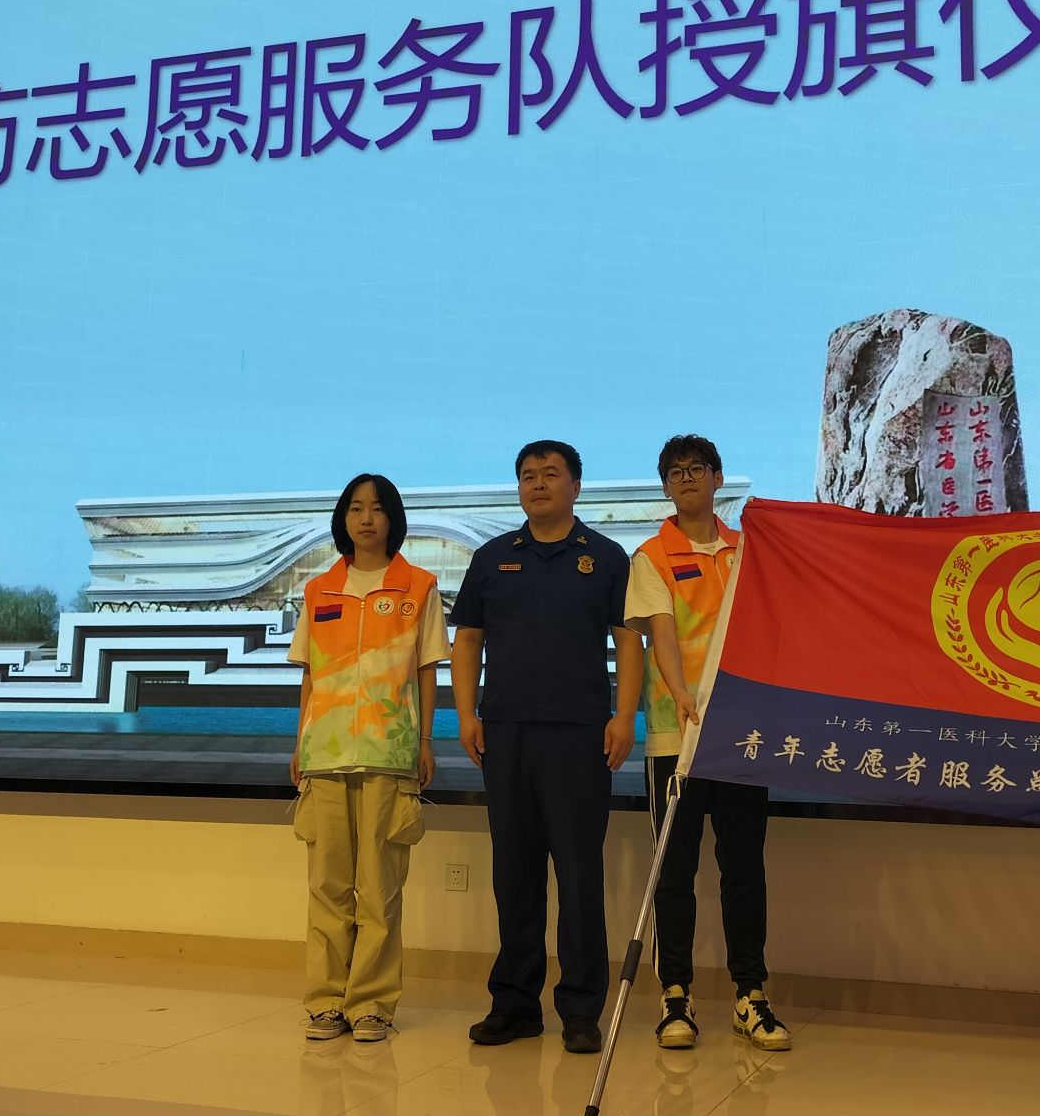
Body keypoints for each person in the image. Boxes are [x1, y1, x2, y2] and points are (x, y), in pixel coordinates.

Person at [451, 440, 642, 1053]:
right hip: (505, 733)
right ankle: (514, 1003)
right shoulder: (491, 558)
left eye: (550, 474)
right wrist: (466, 714)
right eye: (528, 476)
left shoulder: (606, 557)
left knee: (580, 874)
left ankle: (581, 1008)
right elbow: (467, 639)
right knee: (515, 872)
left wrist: (624, 718)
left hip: (580, 735)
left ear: (575, 486)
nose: (538, 484)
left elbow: (628, 640)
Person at [626, 434, 791, 1052]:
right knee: (673, 872)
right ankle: (676, 996)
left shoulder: (748, 552)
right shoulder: (651, 557)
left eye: (697, 468)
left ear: (718, 478)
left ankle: (751, 995)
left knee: (743, 869)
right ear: (665, 486)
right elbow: (661, 633)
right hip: (677, 737)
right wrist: (681, 694)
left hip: (741, 738)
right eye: (675, 472)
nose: (687, 478)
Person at [286, 474, 448, 1043]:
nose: (366, 518)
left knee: (379, 889)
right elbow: (310, 676)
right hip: (325, 754)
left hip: (389, 754)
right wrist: (299, 743)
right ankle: (326, 1002)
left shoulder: (419, 587)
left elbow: (427, 672)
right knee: (328, 886)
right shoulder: (318, 590)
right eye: (355, 508)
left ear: (392, 518)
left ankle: (372, 1004)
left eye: (377, 509)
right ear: (343, 518)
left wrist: (425, 741)